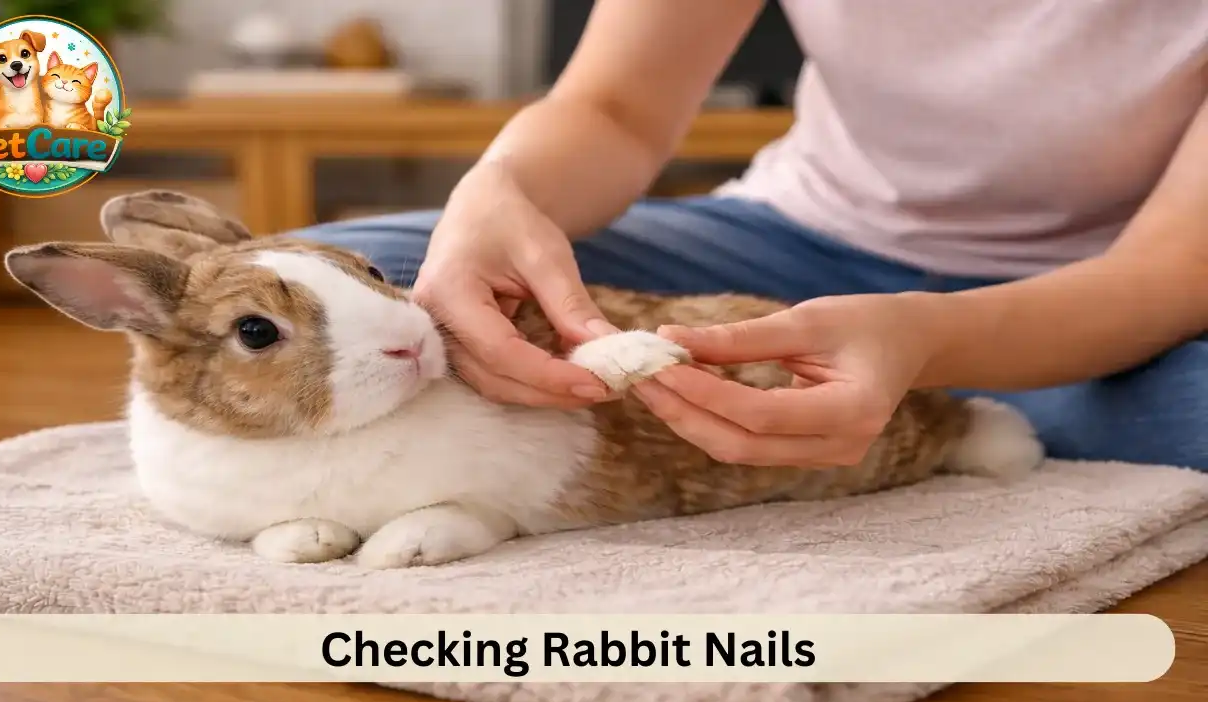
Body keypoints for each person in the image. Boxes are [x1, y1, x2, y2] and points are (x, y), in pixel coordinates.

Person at [293, 0, 1208, 471]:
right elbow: (613, 108)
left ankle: (934, 403)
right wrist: (498, 192)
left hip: (1113, 296)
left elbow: (1170, 267)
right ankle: (922, 407)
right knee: (344, 291)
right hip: (792, 237)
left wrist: (930, 343)